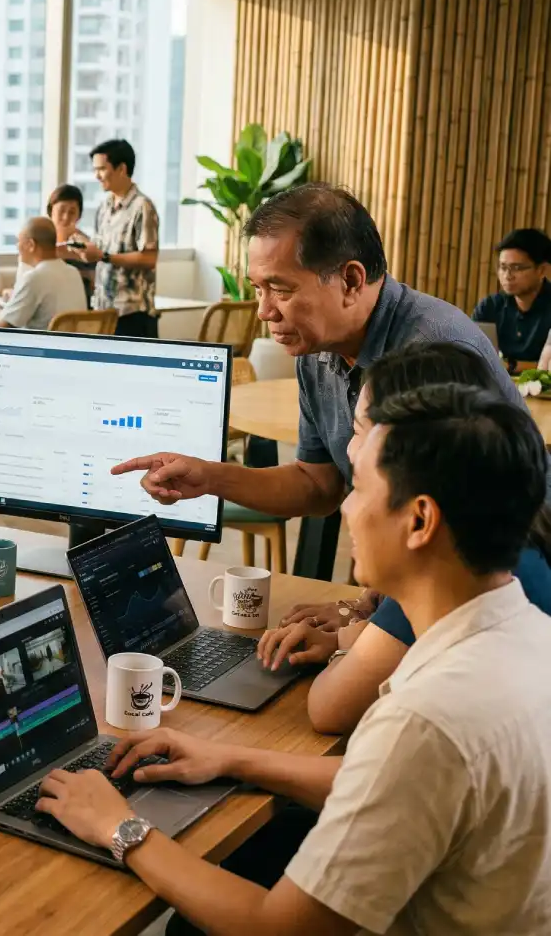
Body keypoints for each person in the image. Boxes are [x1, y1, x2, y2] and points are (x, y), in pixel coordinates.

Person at [39, 383, 551, 935]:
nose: (346, 507)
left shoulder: (426, 720)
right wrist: (230, 759)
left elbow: (278, 928)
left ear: (420, 520)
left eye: (361, 488)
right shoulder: (526, 633)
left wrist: (121, 828)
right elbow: (393, 780)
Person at [111, 183, 532, 529]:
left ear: (351, 281)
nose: (264, 311)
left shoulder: (433, 355)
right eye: (258, 289)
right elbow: (317, 485)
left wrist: (370, 604)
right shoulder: (317, 348)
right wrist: (209, 476)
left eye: (281, 289)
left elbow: (450, 530)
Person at [255, 342, 551, 734]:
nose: (351, 449)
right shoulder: (503, 533)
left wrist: (352, 641)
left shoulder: (448, 575)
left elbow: (330, 709)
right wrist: (357, 625)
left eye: (362, 430)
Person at [71, 139, 160, 338]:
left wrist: (104, 256)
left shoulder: (142, 207)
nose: (97, 176)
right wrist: (85, 249)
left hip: (133, 313)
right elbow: (102, 250)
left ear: (121, 169)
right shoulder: (104, 207)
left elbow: (149, 258)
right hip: (104, 309)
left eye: (102, 169)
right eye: (95, 169)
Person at [471, 227, 551, 368]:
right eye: (503, 267)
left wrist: (512, 366)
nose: (507, 276)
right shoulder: (490, 307)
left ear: (541, 270)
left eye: (517, 268)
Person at [0, 217, 88, 330]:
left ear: (31, 245)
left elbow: (3, 326)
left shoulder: (35, 277)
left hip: (41, 341)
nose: (17, 246)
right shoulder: (74, 272)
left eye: (19, 241)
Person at [46, 183, 94, 305]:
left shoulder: (86, 245)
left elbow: (94, 283)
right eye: (61, 211)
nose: (66, 217)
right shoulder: (42, 241)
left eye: (72, 212)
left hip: (78, 307)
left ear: (79, 215)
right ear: (51, 210)